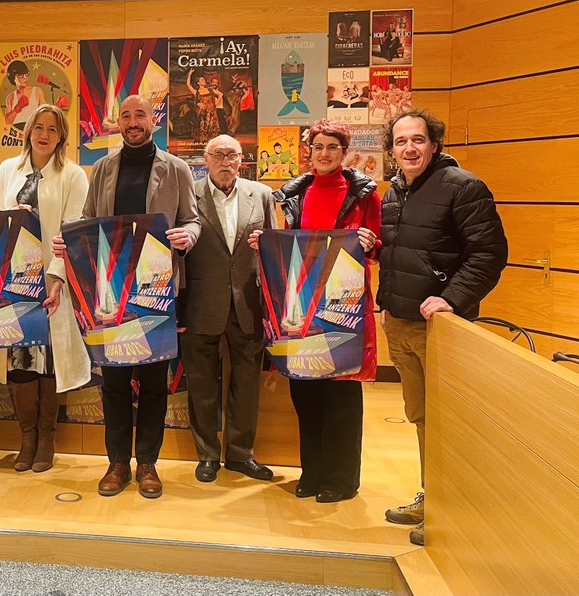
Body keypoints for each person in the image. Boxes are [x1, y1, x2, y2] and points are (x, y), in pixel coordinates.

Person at [53, 95, 200, 499]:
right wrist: (67, 241)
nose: (133, 122)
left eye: (140, 115)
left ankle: (148, 464)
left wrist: (188, 236)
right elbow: (87, 221)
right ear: (118, 123)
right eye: (126, 116)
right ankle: (117, 463)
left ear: (152, 120)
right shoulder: (102, 168)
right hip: (109, 288)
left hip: (156, 289)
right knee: (114, 382)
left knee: (153, 382)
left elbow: (193, 219)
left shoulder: (177, 168)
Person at [377, 109, 507, 545]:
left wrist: (452, 299)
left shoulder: (463, 187)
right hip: (401, 324)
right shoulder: (394, 192)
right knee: (421, 417)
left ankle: (454, 510)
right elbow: (401, 254)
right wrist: (386, 300)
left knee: (447, 420)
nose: (409, 148)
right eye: (401, 141)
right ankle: (433, 496)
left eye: (418, 139)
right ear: (391, 149)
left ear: (434, 144)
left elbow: (489, 254)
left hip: (440, 329)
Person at [250, 120, 381, 504]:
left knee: (340, 395)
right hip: (302, 307)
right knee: (305, 391)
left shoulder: (364, 195)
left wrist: (370, 243)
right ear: (309, 152)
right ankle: (312, 473)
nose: (324, 154)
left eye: (332, 147)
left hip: (343, 309)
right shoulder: (295, 195)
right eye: (318, 147)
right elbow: (288, 249)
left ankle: (341, 480)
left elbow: (379, 248)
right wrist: (265, 243)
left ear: (344, 153)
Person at [0, 105, 90, 473]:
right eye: (39, 127)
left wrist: (57, 278)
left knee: (48, 362)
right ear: (28, 131)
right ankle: (26, 439)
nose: (44, 135)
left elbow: (72, 231)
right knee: (19, 362)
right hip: (13, 284)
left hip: (51, 284)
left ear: (61, 136)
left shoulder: (73, 175)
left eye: (52, 129)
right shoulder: (7, 170)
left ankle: (46, 439)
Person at [180, 135, 277, 484]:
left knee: (247, 384)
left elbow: (274, 252)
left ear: (241, 160)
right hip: (199, 304)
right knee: (201, 385)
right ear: (206, 159)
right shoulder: (188, 194)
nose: (225, 161)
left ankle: (240, 455)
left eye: (232, 155)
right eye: (218, 155)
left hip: (248, 303)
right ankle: (207, 455)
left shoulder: (262, 195)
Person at [4, 60, 46, 132]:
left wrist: (57, 106)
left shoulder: (37, 91)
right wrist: (18, 107)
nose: (25, 77)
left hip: (32, 129)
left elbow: (45, 114)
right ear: (13, 77)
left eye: (26, 74)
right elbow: (7, 121)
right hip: (17, 131)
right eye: (21, 75)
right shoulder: (10, 97)